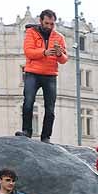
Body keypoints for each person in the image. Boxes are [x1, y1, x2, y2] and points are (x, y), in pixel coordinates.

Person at [14, 9, 68, 142]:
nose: (49, 26)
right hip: (33, 73)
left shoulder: (59, 37)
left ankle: (46, 136)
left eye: (52, 24)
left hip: (50, 75)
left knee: (50, 108)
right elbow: (29, 52)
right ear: (41, 21)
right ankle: (27, 131)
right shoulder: (31, 33)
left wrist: (59, 53)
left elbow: (64, 60)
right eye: (47, 23)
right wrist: (44, 52)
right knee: (28, 102)